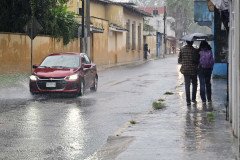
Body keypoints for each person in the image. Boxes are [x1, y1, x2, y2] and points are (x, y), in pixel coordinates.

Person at [178, 41, 199, 106]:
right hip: (193, 70)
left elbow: (179, 61)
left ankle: (188, 102)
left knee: (187, 85)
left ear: (186, 42)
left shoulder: (182, 49)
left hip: (186, 70)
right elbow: (197, 60)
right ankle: (193, 99)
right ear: (192, 43)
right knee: (194, 84)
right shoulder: (195, 50)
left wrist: (184, 61)